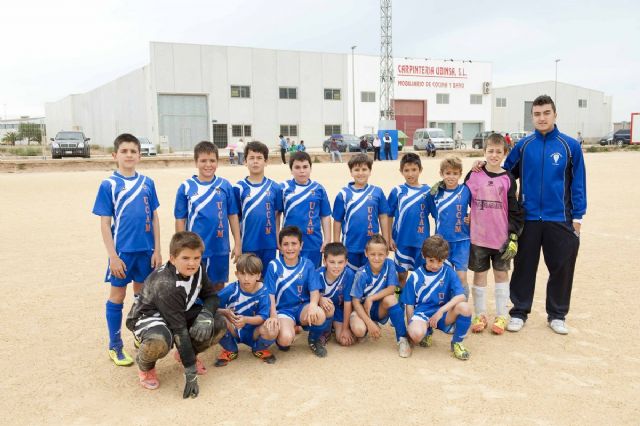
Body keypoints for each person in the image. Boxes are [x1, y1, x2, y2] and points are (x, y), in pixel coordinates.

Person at [501, 95, 586, 334]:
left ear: (555, 115)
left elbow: (578, 183)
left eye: (546, 113)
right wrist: (482, 169)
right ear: (532, 117)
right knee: (524, 267)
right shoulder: (524, 146)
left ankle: (557, 314)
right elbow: (504, 176)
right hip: (527, 219)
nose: (541, 118)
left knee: (561, 268)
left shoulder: (570, 146)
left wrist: (578, 218)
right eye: (537, 114)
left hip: (560, 219)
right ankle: (519, 312)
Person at [126, 231, 225, 396]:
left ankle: (187, 353)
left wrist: (206, 315)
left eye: (196, 258)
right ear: (172, 258)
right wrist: (191, 372)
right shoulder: (165, 283)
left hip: (177, 311)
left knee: (218, 323)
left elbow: (211, 296)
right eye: (185, 258)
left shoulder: (198, 270)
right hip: (150, 317)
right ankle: (145, 365)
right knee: (159, 341)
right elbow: (179, 330)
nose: (192, 263)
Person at [92, 133, 162, 367]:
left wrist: (157, 250)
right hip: (122, 253)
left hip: (146, 251)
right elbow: (104, 223)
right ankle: (115, 344)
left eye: (133, 151)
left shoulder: (147, 183)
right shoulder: (109, 184)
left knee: (142, 296)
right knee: (117, 296)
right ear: (115, 155)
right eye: (124, 151)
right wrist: (112, 256)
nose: (129, 155)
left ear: (140, 156)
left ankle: (138, 332)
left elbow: (154, 217)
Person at [464, 133, 524, 335]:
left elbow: (515, 209)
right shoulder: (474, 174)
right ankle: (479, 314)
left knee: (501, 275)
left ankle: (501, 315)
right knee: (479, 276)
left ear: (505, 153)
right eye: (490, 151)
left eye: (499, 151)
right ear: (484, 152)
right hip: (478, 237)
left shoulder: (508, 178)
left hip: (500, 238)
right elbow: (461, 199)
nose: (494, 155)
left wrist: (514, 234)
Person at [174, 141, 241, 291]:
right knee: (193, 285)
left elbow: (233, 215)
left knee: (218, 285)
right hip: (194, 248)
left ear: (217, 162)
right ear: (196, 162)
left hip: (219, 247)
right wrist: (179, 246)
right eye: (203, 161)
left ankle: (215, 314)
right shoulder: (186, 187)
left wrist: (238, 243)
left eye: (212, 161)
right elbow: (180, 219)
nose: (208, 165)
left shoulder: (225, 185)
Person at [401, 235, 472, 360]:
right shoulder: (415, 276)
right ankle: (426, 332)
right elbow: (409, 305)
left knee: (465, 307)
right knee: (416, 334)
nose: (435, 265)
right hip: (422, 314)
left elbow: (461, 296)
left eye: (440, 261)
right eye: (431, 260)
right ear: (424, 256)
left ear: (445, 259)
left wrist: (441, 311)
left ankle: (457, 343)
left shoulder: (448, 272)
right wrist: (411, 325)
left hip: (442, 315)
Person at [263, 226, 329, 357]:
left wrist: (313, 306)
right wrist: (273, 315)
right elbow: (269, 293)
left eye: (294, 244)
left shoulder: (308, 264)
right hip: (283, 311)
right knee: (285, 340)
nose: (290, 248)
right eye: (286, 244)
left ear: (301, 245)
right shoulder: (274, 266)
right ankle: (287, 332)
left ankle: (314, 340)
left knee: (319, 314)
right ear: (280, 247)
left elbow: (314, 289)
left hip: (302, 308)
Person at [349, 235, 410, 358]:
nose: (376, 258)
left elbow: (392, 289)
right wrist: (369, 322)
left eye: (381, 254)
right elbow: (355, 302)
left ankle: (403, 338)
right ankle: (369, 327)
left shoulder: (389, 264)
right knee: (359, 330)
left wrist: (371, 298)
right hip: (363, 310)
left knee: (391, 299)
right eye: (372, 254)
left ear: (387, 253)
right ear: (366, 253)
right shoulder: (361, 274)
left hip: (379, 308)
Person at [215, 253, 279, 366]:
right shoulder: (232, 289)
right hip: (233, 329)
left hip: (254, 332)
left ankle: (259, 349)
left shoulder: (263, 292)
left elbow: (263, 317)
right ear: (236, 274)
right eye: (242, 274)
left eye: (251, 274)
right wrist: (225, 312)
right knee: (216, 320)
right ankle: (230, 349)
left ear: (258, 276)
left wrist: (245, 320)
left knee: (273, 328)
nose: (246, 278)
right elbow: (212, 305)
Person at [332, 153, 390, 270]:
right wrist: (337, 244)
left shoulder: (377, 192)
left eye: (364, 169)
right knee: (350, 279)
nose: (360, 173)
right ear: (351, 172)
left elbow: (383, 217)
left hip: (372, 247)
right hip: (350, 246)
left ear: (370, 171)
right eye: (356, 169)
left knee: (369, 279)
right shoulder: (343, 194)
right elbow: (337, 221)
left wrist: (386, 240)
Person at [234, 141, 284, 274]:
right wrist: (237, 243)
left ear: (266, 161)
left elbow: (277, 215)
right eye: (251, 158)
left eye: (259, 158)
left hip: (269, 244)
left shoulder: (275, 187)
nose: (255, 162)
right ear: (245, 161)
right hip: (248, 243)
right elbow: (235, 217)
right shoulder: (238, 188)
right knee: (248, 279)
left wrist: (277, 237)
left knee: (267, 279)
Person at [426, 156, 471, 298]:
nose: (451, 177)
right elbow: (433, 212)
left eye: (455, 173)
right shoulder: (435, 193)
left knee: (461, 277)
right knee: (444, 278)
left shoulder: (466, 190)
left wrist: (471, 217)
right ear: (441, 174)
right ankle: (447, 310)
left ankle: (461, 309)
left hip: (462, 241)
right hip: (442, 242)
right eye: (447, 173)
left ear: (460, 174)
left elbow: (476, 208)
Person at [387, 153, 431, 289]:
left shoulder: (428, 191)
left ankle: (417, 305)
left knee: (420, 276)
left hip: (421, 241)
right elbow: (388, 216)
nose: (410, 174)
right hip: (401, 242)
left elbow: (438, 213)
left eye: (414, 170)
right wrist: (389, 237)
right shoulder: (397, 191)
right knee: (401, 276)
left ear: (420, 170)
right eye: (406, 170)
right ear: (401, 171)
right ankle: (399, 304)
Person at [281, 151, 332, 268]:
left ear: (310, 168)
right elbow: (277, 214)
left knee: (312, 276)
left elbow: (325, 216)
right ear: (291, 170)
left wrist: (327, 239)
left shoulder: (318, 189)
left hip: (313, 242)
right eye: (297, 167)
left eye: (305, 167)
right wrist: (277, 237)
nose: (302, 171)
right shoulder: (283, 188)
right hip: (289, 243)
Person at [317, 242, 356, 346]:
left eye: (340, 262)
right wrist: (320, 298)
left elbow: (348, 302)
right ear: (325, 261)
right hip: (323, 310)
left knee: (344, 340)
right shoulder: (318, 274)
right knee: (327, 306)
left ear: (346, 262)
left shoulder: (349, 274)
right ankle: (325, 331)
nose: (336, 266)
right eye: (332, 262)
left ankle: (335, 326)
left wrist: (345, 329)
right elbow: (309, 297)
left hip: (339, 310)